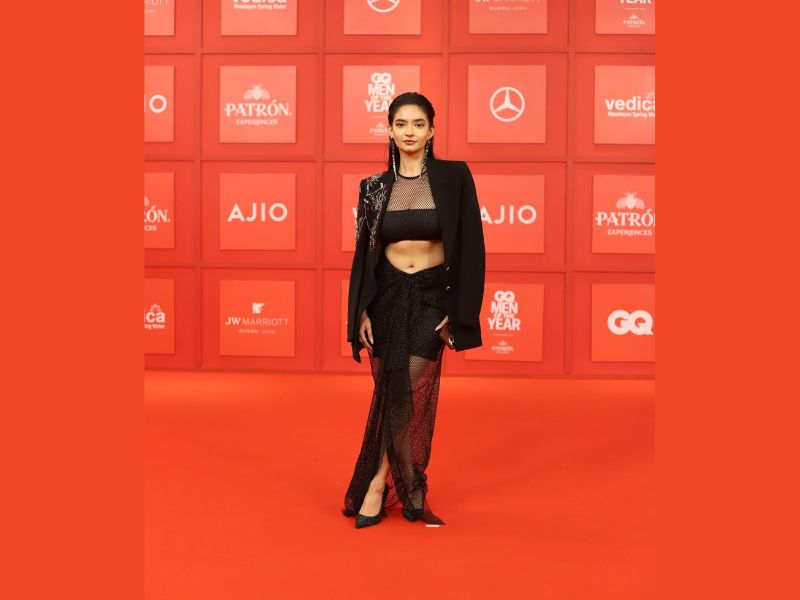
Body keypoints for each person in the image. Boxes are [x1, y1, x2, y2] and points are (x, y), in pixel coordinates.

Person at [341, 92, 486, 529]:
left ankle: (376, 484)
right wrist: (361, 311)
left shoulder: (454, 177)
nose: (409, 132)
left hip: (431, 296)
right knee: (394, 391)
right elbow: (364, 255)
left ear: (431, 130)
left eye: (418, 124)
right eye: (401, 124)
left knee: (406, 386)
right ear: (389, 130)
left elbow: (472, 248)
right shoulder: (373, 188)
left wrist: (458, 310)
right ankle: (412, 488)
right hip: (386, 297)